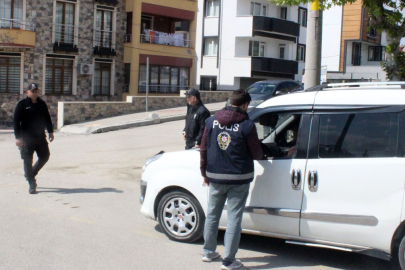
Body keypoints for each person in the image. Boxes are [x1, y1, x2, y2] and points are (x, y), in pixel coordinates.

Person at [199, 89, 264, 270]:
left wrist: (204, 172)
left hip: (215, 176)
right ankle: (228, 260)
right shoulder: (247, 125)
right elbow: (257, 153)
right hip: (239, 178)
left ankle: (209, 252)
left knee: (212, 214)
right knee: (234, 218)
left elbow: (204, 149)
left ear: (229, 101)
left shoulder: (211, 121)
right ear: (245, 105)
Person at [14, 83, 54, 194]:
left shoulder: (41, 104)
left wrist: (50, 131)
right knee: (27, 161)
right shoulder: (22, 105)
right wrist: (18, 137)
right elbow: (16, 122)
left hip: (40, 136)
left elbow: (47, 117)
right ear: (27, 93)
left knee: (45, 156)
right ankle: (31, 183)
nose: (35, 93)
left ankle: (31, 173)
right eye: (33, 91)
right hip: (27, 138)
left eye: (36, 91)